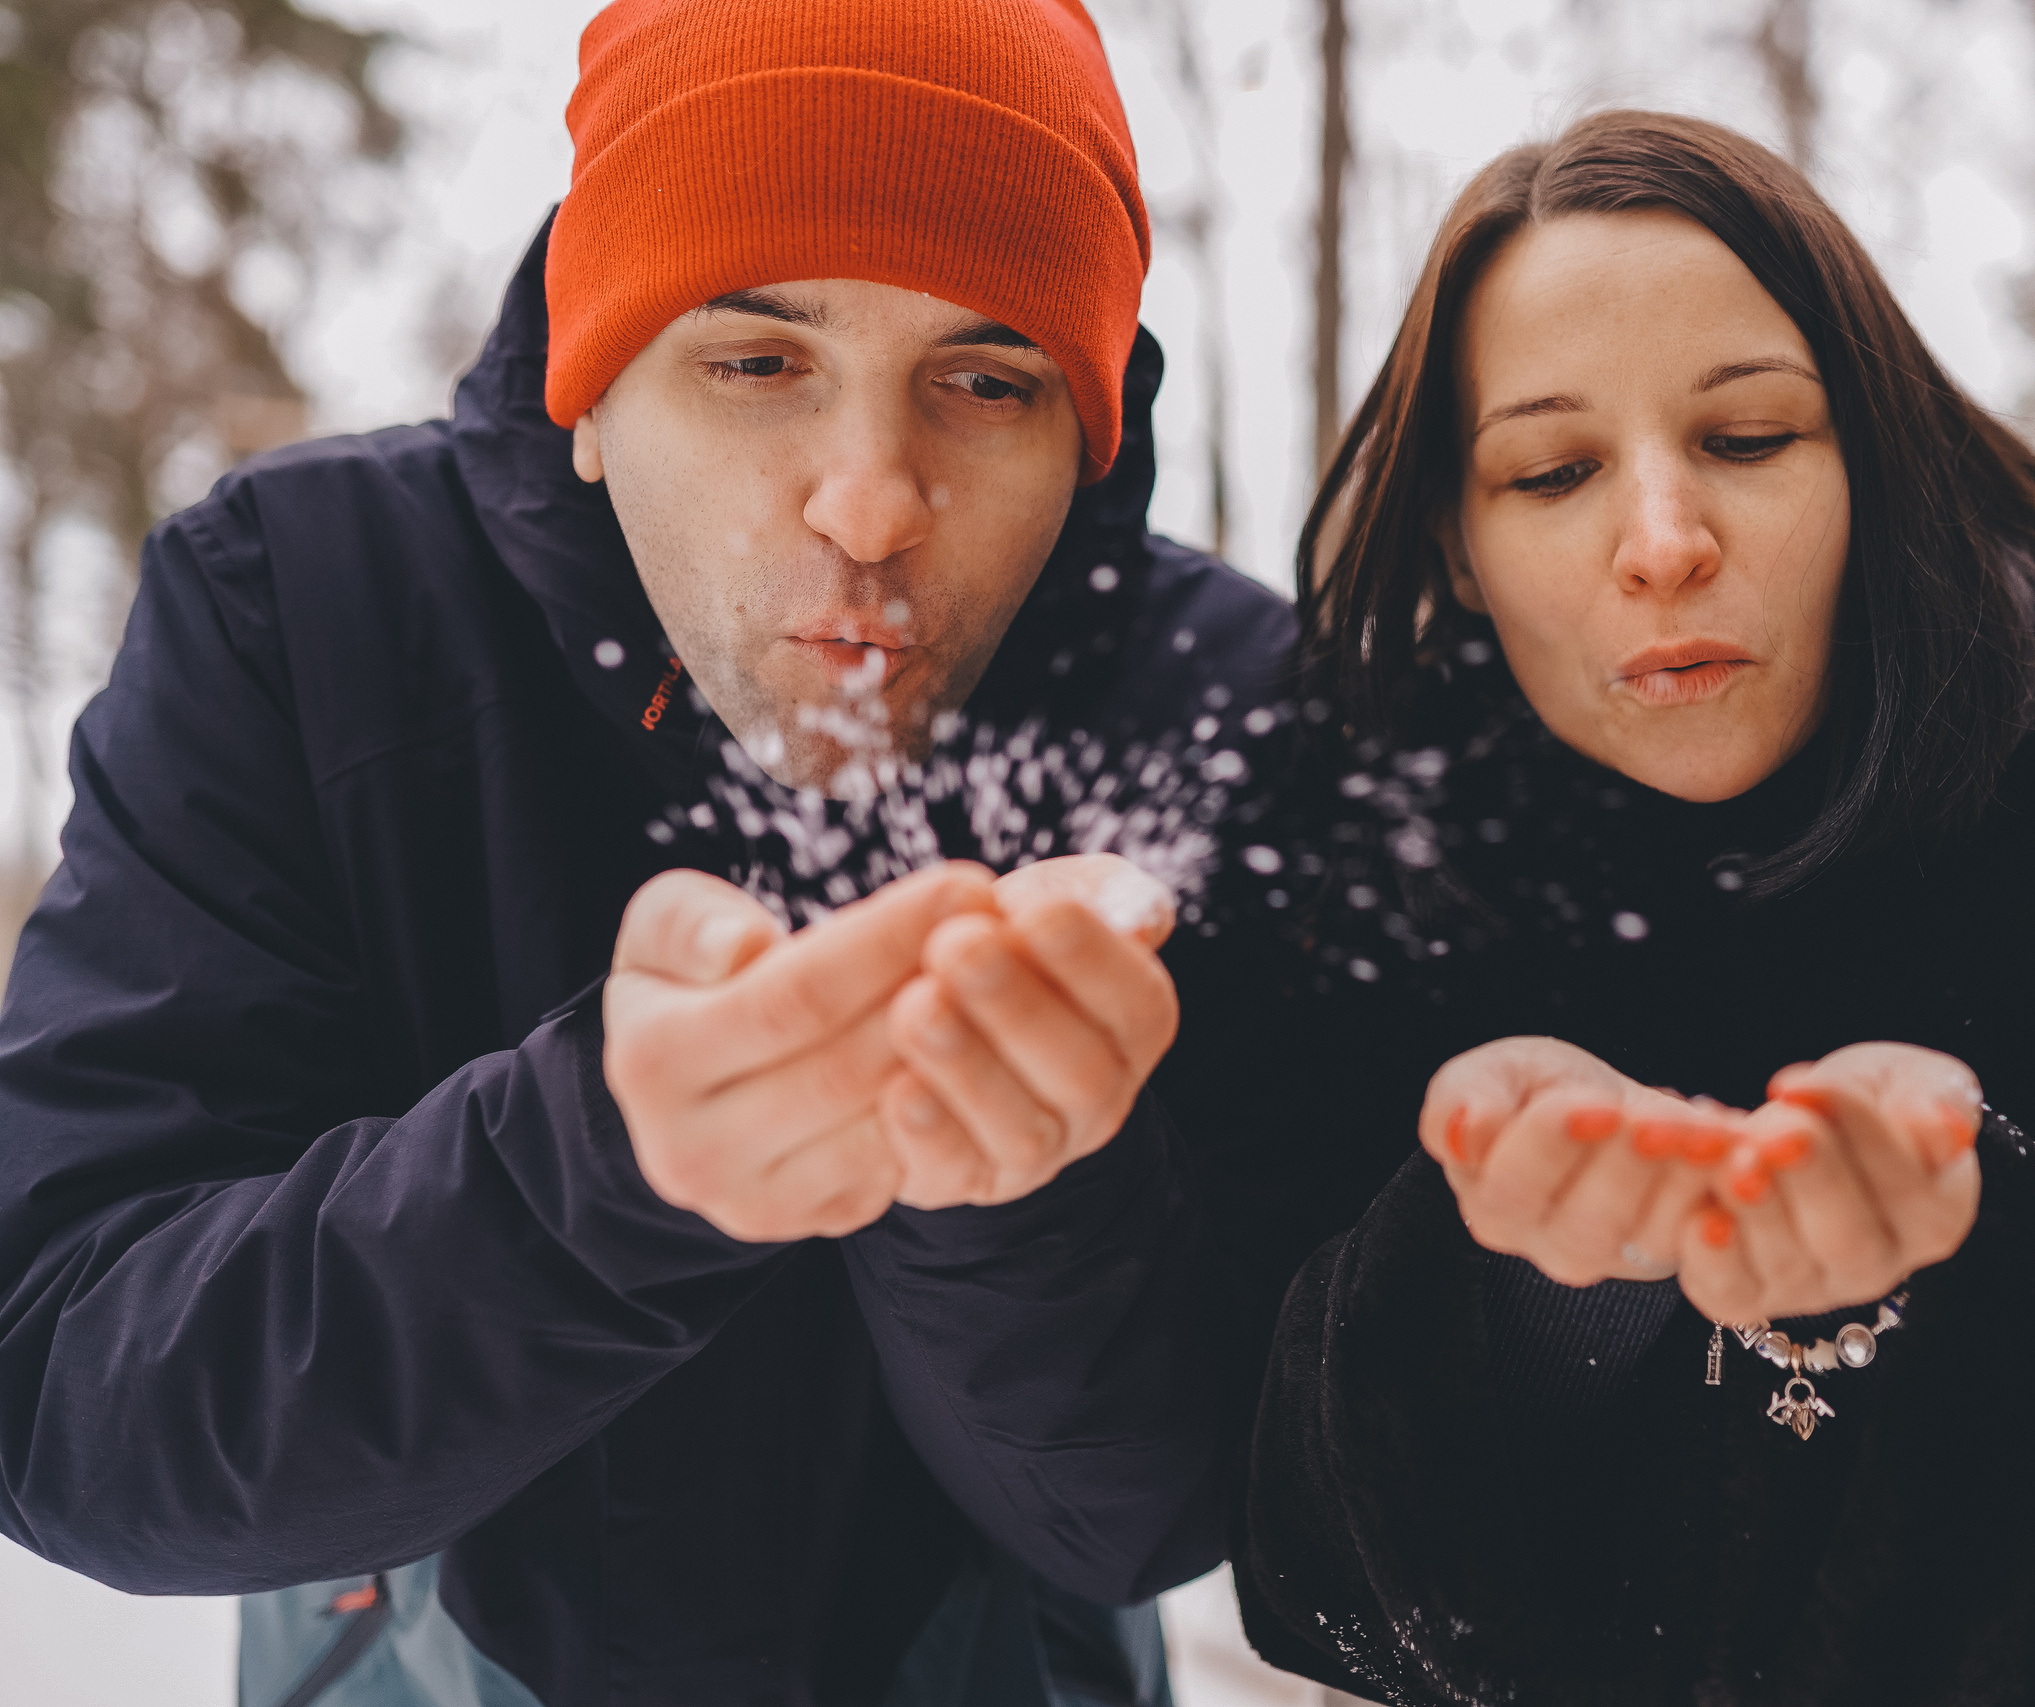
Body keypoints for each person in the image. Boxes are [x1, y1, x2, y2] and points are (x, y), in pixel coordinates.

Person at [0, 4, 1291, 1704]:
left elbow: (1173, 1514)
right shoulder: (299, 604)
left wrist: (1015, 1197)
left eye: (988, 382)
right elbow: (69, 1398)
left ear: (1086, 437)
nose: (870, 501)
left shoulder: (1212, 705)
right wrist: (596, 1177)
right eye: (757, 362)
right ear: (592, 391)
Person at [1161, 111, 2035, 1706]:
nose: (1664, 545)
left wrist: (1976, 1246)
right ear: (1460, 547)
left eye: (1750, 438)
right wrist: (1535, 1278)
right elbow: (1288, 1564)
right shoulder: (1370, 849)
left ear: (1872, 455)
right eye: (1554, 471)